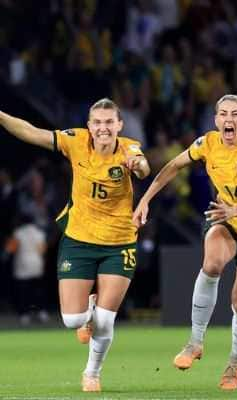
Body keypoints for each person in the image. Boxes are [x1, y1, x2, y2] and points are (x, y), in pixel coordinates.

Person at [0, 98, 150, 392]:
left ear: (119, 125)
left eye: (109, 122)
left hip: (118, 242)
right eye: (98, 122)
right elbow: (33, 132)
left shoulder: (129, 148)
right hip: (79, 239)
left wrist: (139, 165)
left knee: (105, 321)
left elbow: (143, 167)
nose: (103, 128)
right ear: (89, 125)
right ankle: (87, 308)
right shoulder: (76, 141)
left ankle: (92, 373)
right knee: (72, 320)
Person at [132, 94, 237, 390]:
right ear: (215, 120)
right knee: (212, 263)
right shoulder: (206, 143)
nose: (229, 119)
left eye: (235, 114)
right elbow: (172, 167)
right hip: (224, 219)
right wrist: (145, 200)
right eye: (223, 114)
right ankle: (195, 342)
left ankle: (234, 364)